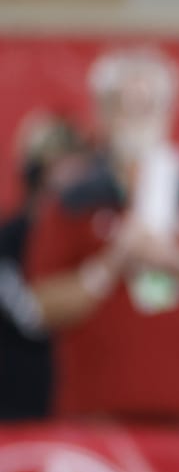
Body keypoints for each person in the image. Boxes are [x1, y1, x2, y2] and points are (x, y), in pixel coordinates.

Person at [26, 47, 179, 422]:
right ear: (101, 111)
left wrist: (177, 259)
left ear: (170, 110)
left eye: (149, 101)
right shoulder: (73, 203)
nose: (137, 113)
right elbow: (43, 306)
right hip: (97, 414)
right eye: (124, 102)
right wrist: (112, 262)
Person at [0, 114, 93, 421]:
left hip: (82, 410)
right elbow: (30, 315)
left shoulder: (95, 237)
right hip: (19, 411)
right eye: (64, 165)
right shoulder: (9, 241)